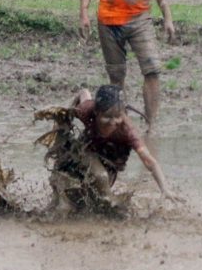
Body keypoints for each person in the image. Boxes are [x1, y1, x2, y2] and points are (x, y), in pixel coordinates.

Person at [48, 85, 179, 213]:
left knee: (98, 197)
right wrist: (62, 124)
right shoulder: (85, 110)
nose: (113, 122)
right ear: (96, 112)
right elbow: (83, 93)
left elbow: (149, 160)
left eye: (117, 116)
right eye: (107, 116)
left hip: (109, 158)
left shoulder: (127, 130)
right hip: (85, 149)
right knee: (100, 176)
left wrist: (165, 189)